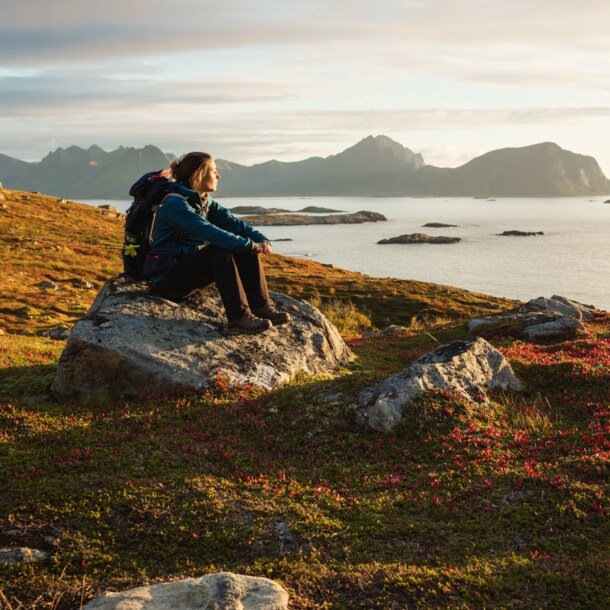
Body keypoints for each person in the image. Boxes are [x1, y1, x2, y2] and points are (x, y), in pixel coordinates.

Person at [143, 151, 290, 335]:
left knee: (243, 248)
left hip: (188, 272)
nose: (218, 176)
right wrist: (250, 245)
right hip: (167, 281)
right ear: (198, 174)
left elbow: (233, 223)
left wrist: (260, 239)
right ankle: (239, 319)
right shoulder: (176, 206)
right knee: (219, 250)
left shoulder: (202, 201)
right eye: (214, 171)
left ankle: (260, 306)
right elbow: (211, 232)